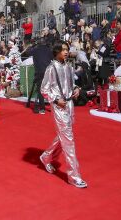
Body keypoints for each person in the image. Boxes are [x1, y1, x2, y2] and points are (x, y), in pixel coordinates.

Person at [39, 41, 86, 188]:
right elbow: (44, 90)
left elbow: (71, 84)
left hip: (70, 105)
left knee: (64, 136)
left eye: (67, 49)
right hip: (59, 107)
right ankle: (74, 176)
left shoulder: (68, 66)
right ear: (57, 51)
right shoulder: (51, 68)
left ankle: (46, 157)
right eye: (63, 50)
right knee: (69, 140)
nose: (66, 52)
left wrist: (77, 88)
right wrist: (55, 100)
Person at [24, 35, 52, 114]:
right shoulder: (48, 49)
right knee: (49, 89)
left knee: (40, 89)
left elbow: (27, 52)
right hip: (48, 71)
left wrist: (32, 45)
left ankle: (42, 108)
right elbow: (52, 57)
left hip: (39, 71)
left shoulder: (36, 49)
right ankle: (53, 106)